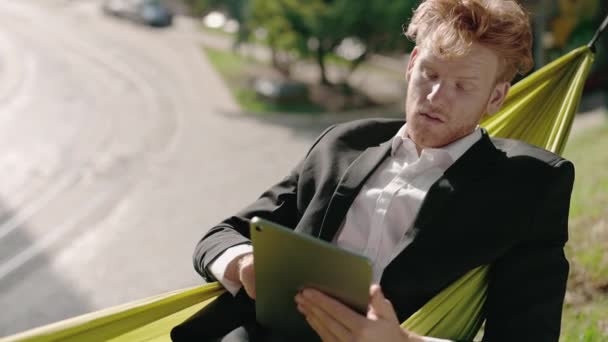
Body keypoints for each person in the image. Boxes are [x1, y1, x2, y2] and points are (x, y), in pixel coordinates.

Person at [174, 0, 575, 341]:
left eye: (462, 86)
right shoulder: (343, 144)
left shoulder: (530, 185)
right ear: (412, 63)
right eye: (430, 74)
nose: (435, 97)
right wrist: (244, 264)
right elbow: (220, 236)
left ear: (496, 97)